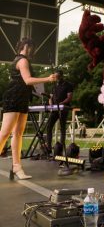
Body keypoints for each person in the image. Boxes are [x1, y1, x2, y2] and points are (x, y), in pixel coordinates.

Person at [0, 37, 57, 180]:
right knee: (5, 133)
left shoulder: (21, 60)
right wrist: (48, 79)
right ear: (26, 46)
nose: (33, 51)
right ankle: (16, 166)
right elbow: (28, 80)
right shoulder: (22, 60)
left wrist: (43, 93)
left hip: (22, 98)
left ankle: (17, 167)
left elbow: (25, 83)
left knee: (18, 133)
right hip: (13, 98)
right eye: (32, 48)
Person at [46, 69, 73, 154]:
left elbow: (69, 97)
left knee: (62, 127)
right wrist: (50, 103)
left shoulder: (68, 85)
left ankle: (61, 147)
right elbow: (51, 97)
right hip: (54, 108)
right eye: (55, 77)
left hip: (63, 108)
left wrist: (62, 103)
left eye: (57, 76)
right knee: (49, 126)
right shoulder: (54, 85)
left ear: (61, 76)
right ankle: (49, 147)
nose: (56, 78)